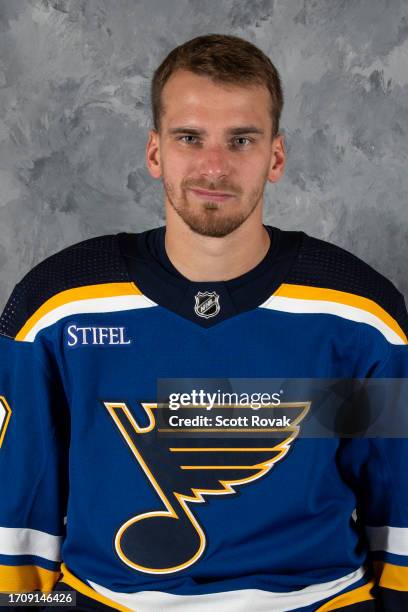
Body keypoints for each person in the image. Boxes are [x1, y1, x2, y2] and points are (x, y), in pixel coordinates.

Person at [0, 33, 407, 612]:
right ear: (154, 152)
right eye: (190, 138)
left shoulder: (360, 315)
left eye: (241, 139)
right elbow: (20, 520)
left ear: (276, 156)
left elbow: (399, 515)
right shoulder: (57, 306)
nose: (214, 166)